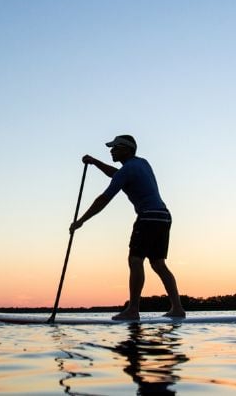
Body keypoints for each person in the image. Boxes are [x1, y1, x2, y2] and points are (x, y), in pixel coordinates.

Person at [69, 135, 186, 320]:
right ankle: (177, 308)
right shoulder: (141, 163)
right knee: (158, 264)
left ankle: (133, 310)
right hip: (163, 216)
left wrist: (81, 220)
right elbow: (115, 174)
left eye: (115, 147)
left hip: (147, 216)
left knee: (135, 260)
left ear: (127, 149)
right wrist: (94, 162)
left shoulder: (127, 170)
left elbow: (104, 199)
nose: (111, 151)